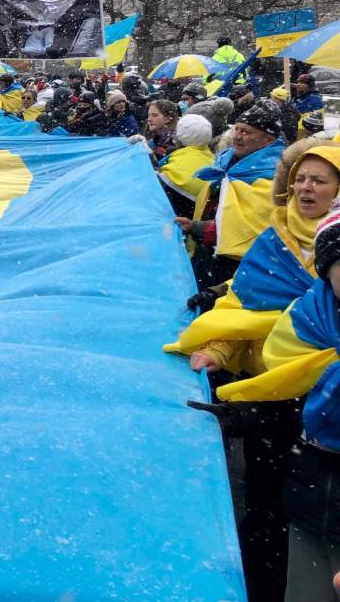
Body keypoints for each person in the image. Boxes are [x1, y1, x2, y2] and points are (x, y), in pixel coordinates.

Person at [169, 141, 340, 602]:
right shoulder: (275, 241)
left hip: (312, 411)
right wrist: (218, 351)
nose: (306, 187)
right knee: (270, 513)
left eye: (319, 180)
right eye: (300, 178)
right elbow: (245, 306)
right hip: (269, 398)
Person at [212, 205, 340, 601]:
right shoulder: (308, 320)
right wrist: (243, 416)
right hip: (310, 499)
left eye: (319, 179)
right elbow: (293, 395)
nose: (305, 188)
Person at [177, 99, 286, 289]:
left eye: (246, 132)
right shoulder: (225, 162)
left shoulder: (273, 176)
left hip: (236, 269)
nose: (237, 136)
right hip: (208, 257)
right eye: (237, 129)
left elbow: (250, 229)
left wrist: (199, 228)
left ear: (268, 139)